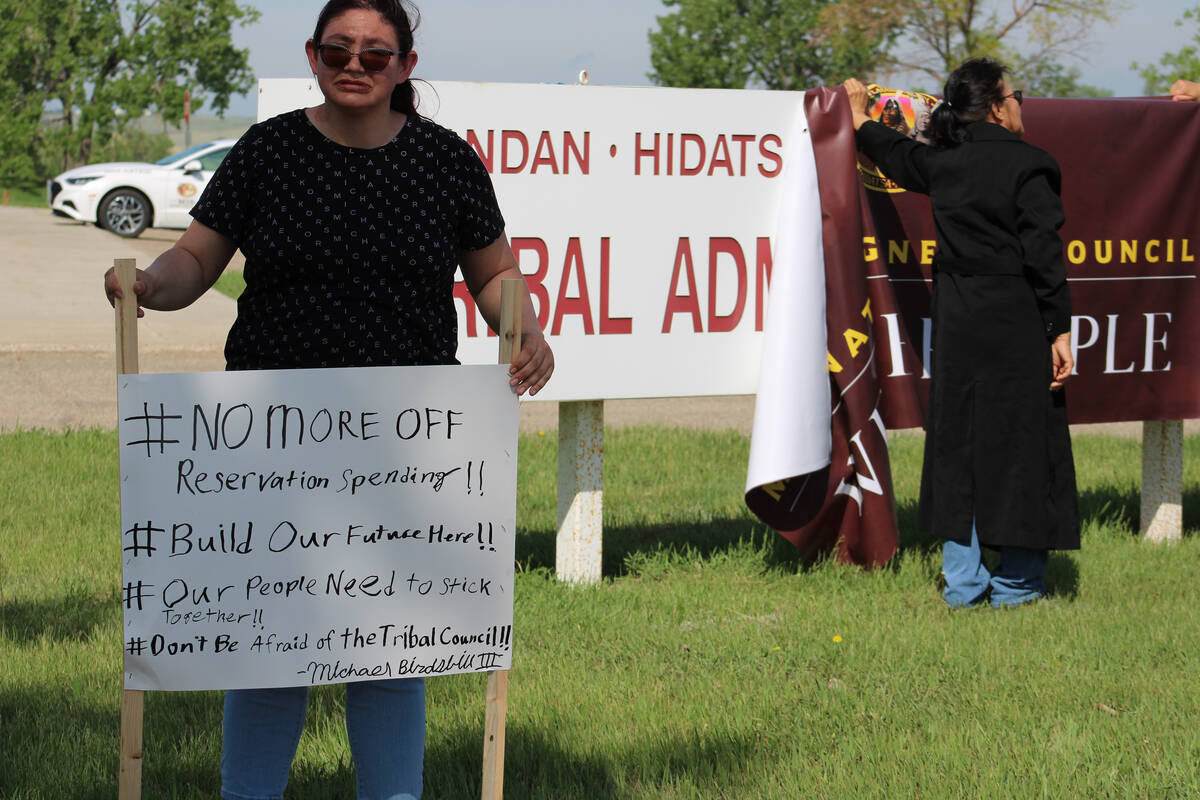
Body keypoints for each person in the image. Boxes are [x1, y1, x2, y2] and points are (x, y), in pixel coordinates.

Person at [104, 0, 553, 796]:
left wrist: (524, 329)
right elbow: (193, 262)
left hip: (407, 449)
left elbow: (494, 275)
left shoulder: (447, 162)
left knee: (387, 643)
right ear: (313, 56)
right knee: (269, 638)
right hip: (271, 445)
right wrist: (144, 285)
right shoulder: (267, 150)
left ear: (405, 68)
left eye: (376, 55)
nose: (356, 64)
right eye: (339, 49)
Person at [842, 59, 1079, 609]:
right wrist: (1059, 329)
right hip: (1016, 319)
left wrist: (857, 119)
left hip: (957, 321)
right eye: (1015, 93)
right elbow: (1045, 257)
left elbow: (896, 156)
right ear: (997, 105)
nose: (1020, 101)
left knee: (958, 442)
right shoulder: (1033, 165)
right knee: (1022, 441)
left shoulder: (944, 161)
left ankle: (964, 582)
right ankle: (1017, 584)